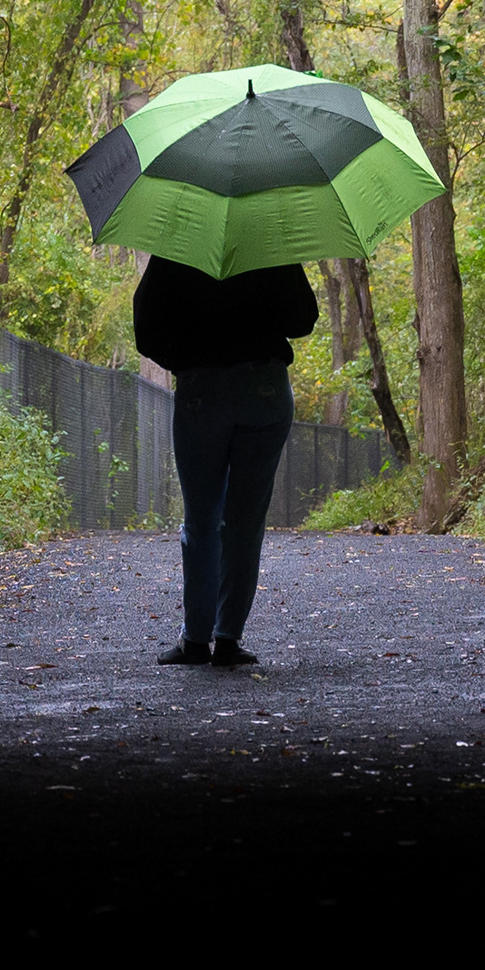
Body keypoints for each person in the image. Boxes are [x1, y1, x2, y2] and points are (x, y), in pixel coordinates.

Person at [131, 253, 320, 667]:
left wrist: (188, 363)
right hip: (265, 389)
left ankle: (196, 640)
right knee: (245, 519)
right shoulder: (270, 243)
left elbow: (146, 331)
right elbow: (303, 319)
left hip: (202, 389)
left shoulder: (178, 249)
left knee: (200, 517)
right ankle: (229, 638)